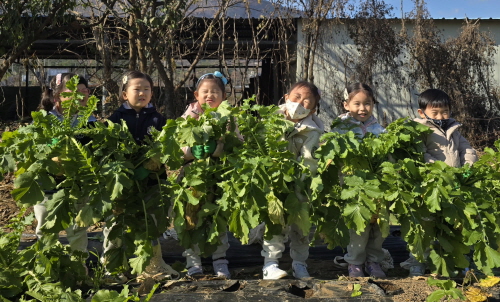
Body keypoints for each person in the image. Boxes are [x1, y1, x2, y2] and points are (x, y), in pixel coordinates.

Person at [105, 70, 175, 283]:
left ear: (152, 94)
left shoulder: (158, 119)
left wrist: (155, 161)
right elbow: (106, 149)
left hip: (153, 182)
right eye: (137, 89)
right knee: (117, 221)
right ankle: (112, 267)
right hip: (123, 182)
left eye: (146, 89)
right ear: (125, 94)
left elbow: (168, 148)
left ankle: (152, 266)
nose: (142, 93)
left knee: (149, 221)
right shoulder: (115, 118)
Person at [400, 88, 478, 276]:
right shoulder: (419, 130)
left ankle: (455, 260)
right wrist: (437, 170)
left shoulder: (453, 129)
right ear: (422, 112)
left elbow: (466, 149)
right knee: (425, 224)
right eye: (435, 113)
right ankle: (418, 261)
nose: (441, 116)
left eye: (445, 111)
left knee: (453, 223)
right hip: (429, 185)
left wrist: (467, 165)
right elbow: (420, 153)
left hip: (454, 185)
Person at [260, 81, 324, 280]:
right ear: (286, 98)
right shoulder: (271, 120)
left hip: (300, 184)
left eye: (306, 102)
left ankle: (299, 264)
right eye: (296, 98)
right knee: (275, 223)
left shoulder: (313, 131)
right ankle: (270, 265)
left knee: (301, 226)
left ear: (313, 109)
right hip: (274, 182)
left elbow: (309, 161)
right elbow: (263, 148)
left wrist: (297, 177)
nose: (299, 104)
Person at [180, 71, 233, 279]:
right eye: (205, 92)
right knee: (191, 217)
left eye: (215, 92)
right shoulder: (188, 116)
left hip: (219, 176)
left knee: (218, 217)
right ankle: (193, 261)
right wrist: (192, 152)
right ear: (196, 95)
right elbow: (178, 146)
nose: (210, 95)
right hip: (192, 177)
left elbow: (236, 145)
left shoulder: (229, 118)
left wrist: (218, 149)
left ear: (223, 96)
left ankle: (219, 259)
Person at [34, 73, 93, 254]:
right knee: (46, 229)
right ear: (58, 96)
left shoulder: (90, 120)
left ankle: (78, 267)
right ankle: (48, 266)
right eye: (74, 92)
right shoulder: (45, 118)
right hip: (48, 187)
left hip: (76, 187)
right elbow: (38, 147)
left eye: (84, 91)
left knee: (77, 229)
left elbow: (94, 150)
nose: (81, 96)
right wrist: (55, 153)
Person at [334, 83, 387, 278]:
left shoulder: (379, 129)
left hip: (377, 186)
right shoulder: (340, 128)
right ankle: (355, 262)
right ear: (346, 105)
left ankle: (374, 261)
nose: (362, 109)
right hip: (352, 186)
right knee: (358, 225)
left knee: (379, 225)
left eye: (367, 104)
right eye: (357, 104)